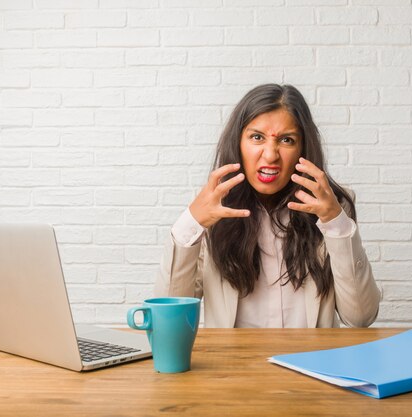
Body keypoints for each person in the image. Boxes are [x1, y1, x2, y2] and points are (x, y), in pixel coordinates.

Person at [154, 84, 381, 328]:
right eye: (257, 137)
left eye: (286, 140)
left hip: (312, 361)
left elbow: (360, 318)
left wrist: (335, 221)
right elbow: (167, 319)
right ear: (238, 144)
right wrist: (191, 225)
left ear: (302, 149)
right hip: (234, 364)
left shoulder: (333, 206)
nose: (271, 155)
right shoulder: (212, 208)